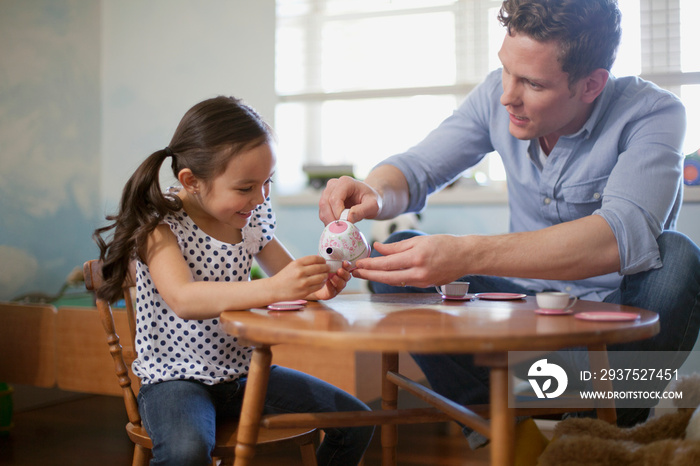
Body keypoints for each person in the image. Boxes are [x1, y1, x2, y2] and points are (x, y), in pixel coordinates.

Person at [319, 0, 700, 454]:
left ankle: (592, 437)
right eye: (506, 71)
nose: (507, 96)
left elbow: (619, 236)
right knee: (399, 254)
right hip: (518, 316)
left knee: (678, 257)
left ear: (592, 84)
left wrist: (466, 253)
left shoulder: (654, 113)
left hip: (611, 333)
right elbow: (417, 169)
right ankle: (513, 432)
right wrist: (374, 192)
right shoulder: (497, 97)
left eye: (533, 84)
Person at [93, 96, 374, 466]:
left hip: (243, 375)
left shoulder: (251, 217)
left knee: (356, 421)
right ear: (191, 181)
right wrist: (275, 288)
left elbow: (284, 273)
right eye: (245, 188)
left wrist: (318, 287)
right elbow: (184, 298)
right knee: (186, 452)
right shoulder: (160, 222)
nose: (259, 198)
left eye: (267, 182)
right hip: (175, 381)